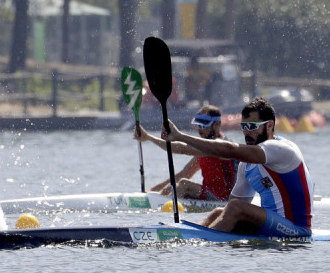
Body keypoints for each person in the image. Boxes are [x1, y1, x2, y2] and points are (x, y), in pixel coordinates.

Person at [160, 96, 314, 237]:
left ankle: (203, 241)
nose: (247, 132)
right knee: (219, 211)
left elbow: (230, 150)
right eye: (244, 126)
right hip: (271, 226)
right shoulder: (246, 164)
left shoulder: (281, 149)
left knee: (235, 208)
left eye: (252, 126)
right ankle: (187, 236)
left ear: (269, 125)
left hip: (296, 229)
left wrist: (180, 136)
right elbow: (233, 205)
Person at [134, 104, 237, 202]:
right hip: (208, 196)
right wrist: (149, 192)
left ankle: (163, 208)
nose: (199, 130)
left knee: (184, 184)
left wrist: (149, 137)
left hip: (223, 200)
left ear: (217, 124)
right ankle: (159, 202)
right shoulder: (203, 150)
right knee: (176, 183)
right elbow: (183, 174)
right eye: (198, 125)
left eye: (203, 126)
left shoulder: (221, 145)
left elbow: (181, 148)